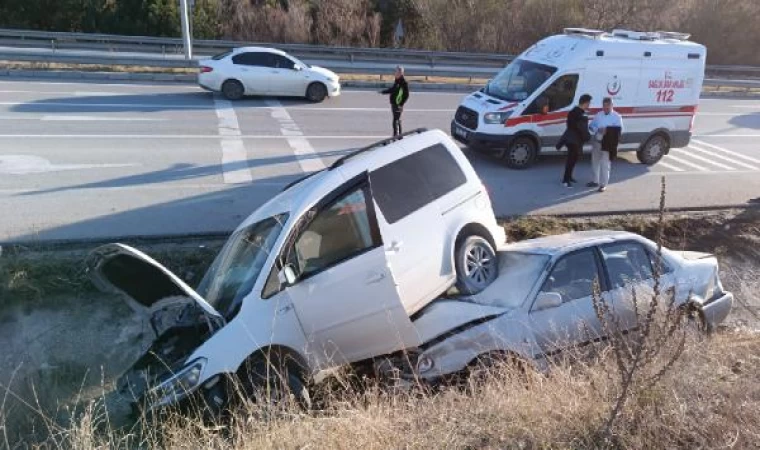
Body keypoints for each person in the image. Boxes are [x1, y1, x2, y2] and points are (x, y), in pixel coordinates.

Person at [587, 97, 624, 192]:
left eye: (608, 106)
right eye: (604, 106)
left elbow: (620, 131)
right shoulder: (599, 115)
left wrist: (607, 130)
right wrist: (597, 129)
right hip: (597, 142)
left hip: (608, 144)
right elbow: (591, 126)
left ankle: (603, 184)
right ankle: (595, 181)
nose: (606, 108)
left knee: (605, 164)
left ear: (612, 105)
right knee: (595, 162)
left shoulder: (617, 117)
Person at [556, 94, 592, 188]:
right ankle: (565, 180)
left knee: (574, 159)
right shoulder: (577, 112)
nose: (589, 105)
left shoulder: (578, 112)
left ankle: (569, 177)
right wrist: (586, 136)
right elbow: (576, 127)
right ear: (585, 102)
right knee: (571, 160)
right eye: (589, 103)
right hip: (573, 140)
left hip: (576, 140)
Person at [380, 66, 410, 136]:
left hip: (398, 104)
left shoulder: (404, 83)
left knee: (396, 120)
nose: (395, 73)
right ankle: (399, 136)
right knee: (397, 120)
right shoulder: (397, 80)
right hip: (394, 103)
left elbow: (406, 95)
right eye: (395, 71)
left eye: (396, 72)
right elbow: (393, 89)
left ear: (400, 73)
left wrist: (401, 104)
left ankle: (396, 136)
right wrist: (383, 92)